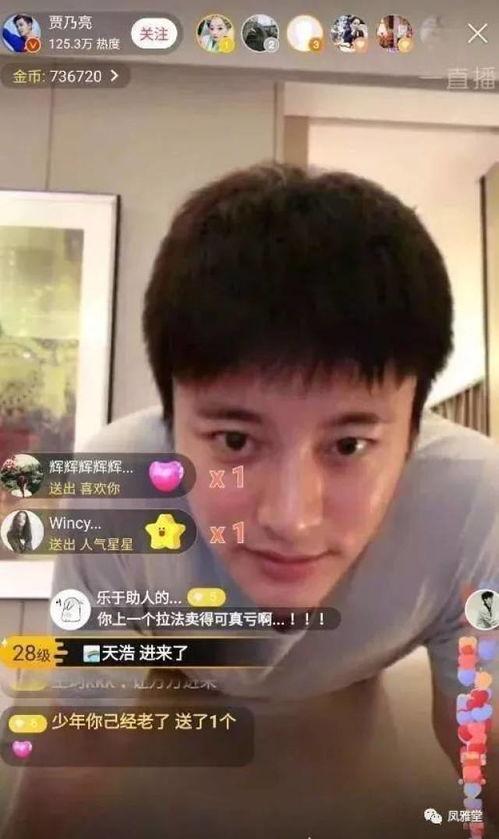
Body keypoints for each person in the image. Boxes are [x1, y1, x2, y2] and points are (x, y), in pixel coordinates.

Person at [9, 164, 499, 833]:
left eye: (349, 444)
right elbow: (82, 732)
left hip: (348, 703)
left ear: (414, 431)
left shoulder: (472, 500)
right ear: (169, 425)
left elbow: (479, 738)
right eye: (235, 440)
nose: (290, 519)